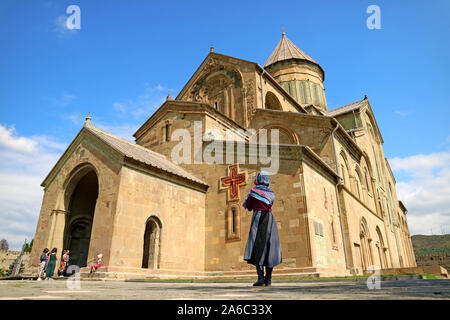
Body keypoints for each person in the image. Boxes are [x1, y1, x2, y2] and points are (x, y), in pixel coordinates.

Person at [243, 171, 282, 286]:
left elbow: (249, 206)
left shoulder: (254, 191)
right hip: (270, 219)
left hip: (258, 218)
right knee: (270, 247)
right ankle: (268, 279)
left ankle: (261, 278)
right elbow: (271, 203)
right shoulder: (271, 193)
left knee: (257, 245)